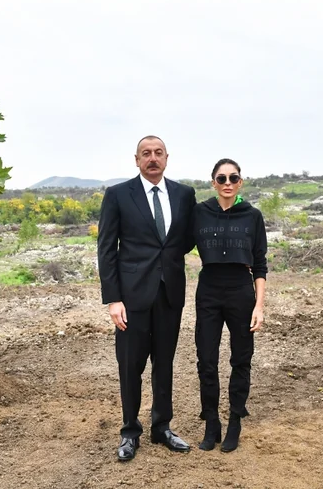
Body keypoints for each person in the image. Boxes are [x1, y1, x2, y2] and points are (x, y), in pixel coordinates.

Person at [97, 135, 197, 462]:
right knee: (130, 366)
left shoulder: (184, 195)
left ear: (167, 157)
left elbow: (183, 241)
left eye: (157, 153)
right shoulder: (117, 195)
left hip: (169, 294)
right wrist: (113, 299)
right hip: (131, 297)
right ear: (136, 159)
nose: (152, 158)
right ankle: (129, 431)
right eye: (146, 154)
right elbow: (106, 250)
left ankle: (162, 427)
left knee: (164, 364)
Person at [192, 158, 267, 453]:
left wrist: (259, 305)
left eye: (233, 178)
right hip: (208, 290)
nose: (227, 183)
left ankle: (235, 419)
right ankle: (212, 423)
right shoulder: (199, 213)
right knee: (206, 361)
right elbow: (175, 245)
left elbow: (260, 264)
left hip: (240, 291)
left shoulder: (253, 216)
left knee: (241, 359)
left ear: (240, 183)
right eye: (221, 178)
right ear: (213, 183)